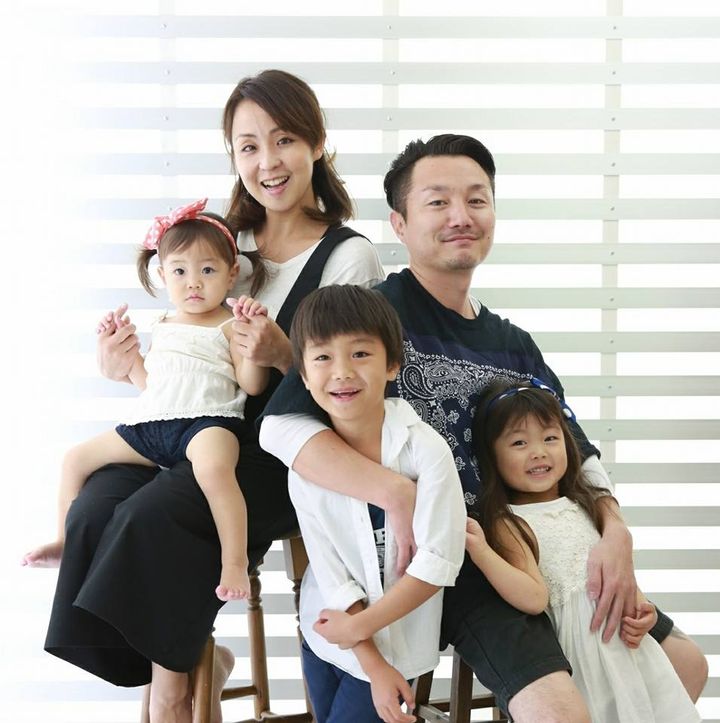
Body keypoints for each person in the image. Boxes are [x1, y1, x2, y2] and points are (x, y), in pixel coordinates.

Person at [259, 134, 708, 721]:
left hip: (539, 545)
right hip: (451, 560)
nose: (460, 217)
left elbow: (579, 452)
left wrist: (615, 533)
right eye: (438, 202)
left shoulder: (514, 344)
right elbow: (282, 427)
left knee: (686, 666)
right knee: (560, 713)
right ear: (399, 223)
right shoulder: (370, 317)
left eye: (476, 200)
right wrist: (396, 492)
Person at [41, 69, 385, 723]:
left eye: (284, 140)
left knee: (153, 515)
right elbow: (185, 357)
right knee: (96, 506)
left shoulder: (347, 258)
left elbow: (356, 385)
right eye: (248, 146)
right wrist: (126, 367)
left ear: (316, 144)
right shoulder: (222, 245)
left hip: (283, 449)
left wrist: (282, 355)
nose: (267, 162)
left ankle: (171, 697)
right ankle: (188, 658)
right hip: (190, 428)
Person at [24, 199, 271, 602]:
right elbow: (151, 384)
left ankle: (234, 561)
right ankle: (66, 542)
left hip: (207, 423)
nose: (193, 283)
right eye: (180, 271)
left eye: (207, 271)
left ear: (231, 275)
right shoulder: (164, 324)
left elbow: (252, 384)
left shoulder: (229, 326)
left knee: (214, 471)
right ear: (162, 276)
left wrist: (255, 339)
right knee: (74, 459)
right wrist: (125, 350)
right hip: (152, 424)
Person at [466, 377, 701, 722]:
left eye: (550, 438)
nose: (538, 452)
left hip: (625, 648)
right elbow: (533, 597)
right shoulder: (510, 521)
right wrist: (482, 553)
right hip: (582, 655)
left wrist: (643, 609)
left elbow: (618, 575)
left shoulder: (588, 505)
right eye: (519, 443)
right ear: (492, 457)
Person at [286, 284, 465, 723]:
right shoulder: (305, 464)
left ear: (392, 364)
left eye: (360, 354)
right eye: (322, 357)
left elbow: (437, 563)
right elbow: (329, 571)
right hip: (327, 635)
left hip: (397, 646)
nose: (342, 372)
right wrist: (365, 653)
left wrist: (363, 635)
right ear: (303, 375)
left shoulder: (426, 451)